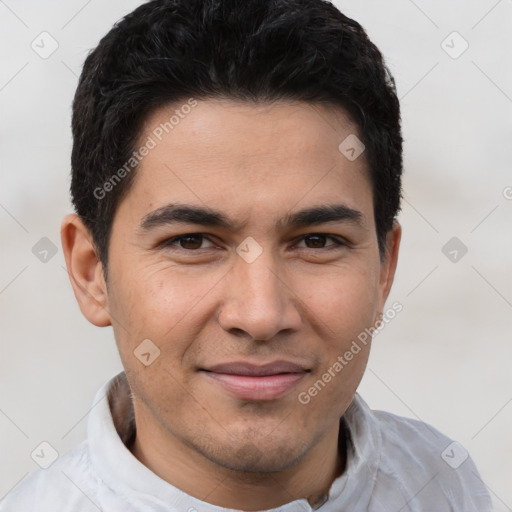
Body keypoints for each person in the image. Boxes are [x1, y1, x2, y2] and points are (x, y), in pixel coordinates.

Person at [0, 0, 493, 510]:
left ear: (384, 270)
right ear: (91, 273)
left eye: (317, 241)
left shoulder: (444, 484)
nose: (261, 315)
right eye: (191, 242)